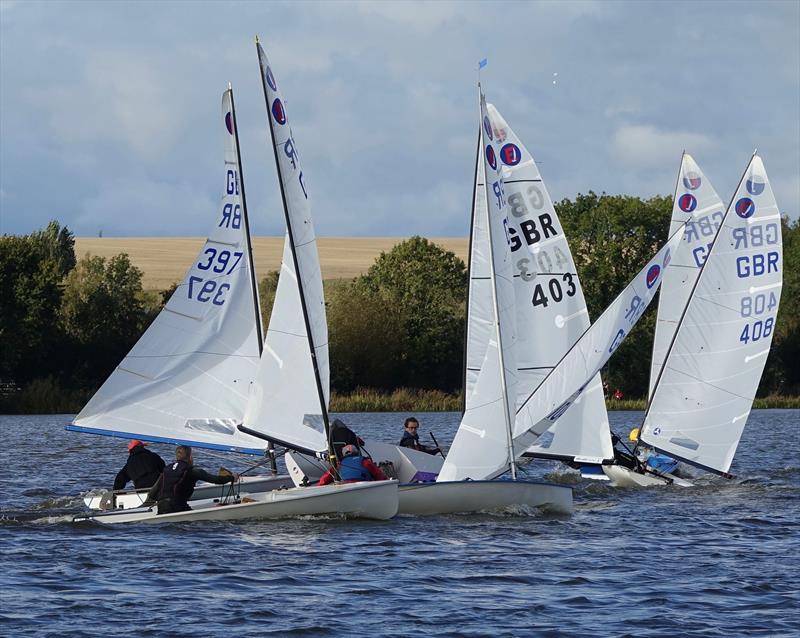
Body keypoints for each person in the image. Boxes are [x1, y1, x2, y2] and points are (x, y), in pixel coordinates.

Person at [144, 445, 237, 515]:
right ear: (190, 457)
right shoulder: (192, 471)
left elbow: (152, 493)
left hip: (162, 507)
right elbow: (216, 480)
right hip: (178, 506)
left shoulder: (166, 470)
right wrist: (232, 477)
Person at [318, 444, 387, 486]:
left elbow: (324, 479)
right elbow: (379, 476)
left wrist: (319, 486)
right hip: (364, 486)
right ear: (357, 452)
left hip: (346, 487)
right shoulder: (365, 461)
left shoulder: (339, 465)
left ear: (344, 454)